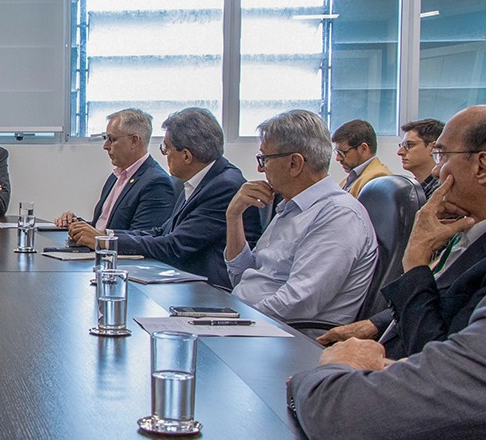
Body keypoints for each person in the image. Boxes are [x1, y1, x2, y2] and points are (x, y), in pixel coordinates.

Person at [287, 81, 486, 440]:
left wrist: (337, 368)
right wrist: (377, 324)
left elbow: (345, 413)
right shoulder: (474, 232)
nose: (436, 169)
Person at [317, 105, 486, 357]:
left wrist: (416, 261)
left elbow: (435, 356)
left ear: (482, 167)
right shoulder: (475, 226)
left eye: (441, 155)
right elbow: (440, 297)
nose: (436, 170)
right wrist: (377, 323)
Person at [225, 110, 378, 325]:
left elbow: (297, 303)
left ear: (295, 163)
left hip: (287, 337)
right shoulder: (291, 206)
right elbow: (242, 277)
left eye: (264, 159)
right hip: (253, 322)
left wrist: (233, 321)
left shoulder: (339, 215)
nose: (260, 168)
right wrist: (233, 217)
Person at [113, 108, 261, 289]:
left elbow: (175, 246)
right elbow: (163, 232)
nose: (164, 154)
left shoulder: (224, 186)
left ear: (186, 155)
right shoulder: (200, 179)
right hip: (190, 284)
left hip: (213, 293)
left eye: (166, 148)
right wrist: (107, 236)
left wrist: (108, 242)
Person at [56, 108, 175, 247]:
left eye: (111, 139)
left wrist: (98, 239)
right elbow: (101, 227)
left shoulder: (156, 183)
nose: (105, 146)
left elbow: (143, 241)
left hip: (119, 264)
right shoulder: (116, 176)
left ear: (134, 141)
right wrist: (76, 224)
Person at [332, 119, 392, 197]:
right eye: (337, 152)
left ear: (364, 148)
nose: (338, 158)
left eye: (343, 152)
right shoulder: (355, 175)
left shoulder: (377, 178)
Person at [397, 118, 444, 198]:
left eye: (409, 145)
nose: (400, 152)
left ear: (433, 148)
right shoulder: (410, 189)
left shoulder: (443, 192)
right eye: (401, 146)